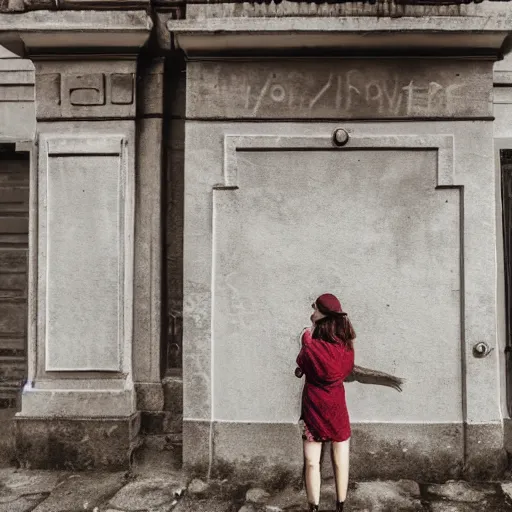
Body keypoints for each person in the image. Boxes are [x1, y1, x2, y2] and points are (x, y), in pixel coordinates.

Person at [295, 293, 404, 512]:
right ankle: (340, 506)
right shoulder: (346, 347)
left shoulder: (309, 341)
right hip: (337, 408)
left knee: (312, 463)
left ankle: (313, 508)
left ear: (323, 316)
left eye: (315, 309)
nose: (311, 313)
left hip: (314, 409)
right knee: (341, 461)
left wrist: (305, 342)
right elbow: (343, 370)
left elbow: (303, 364)